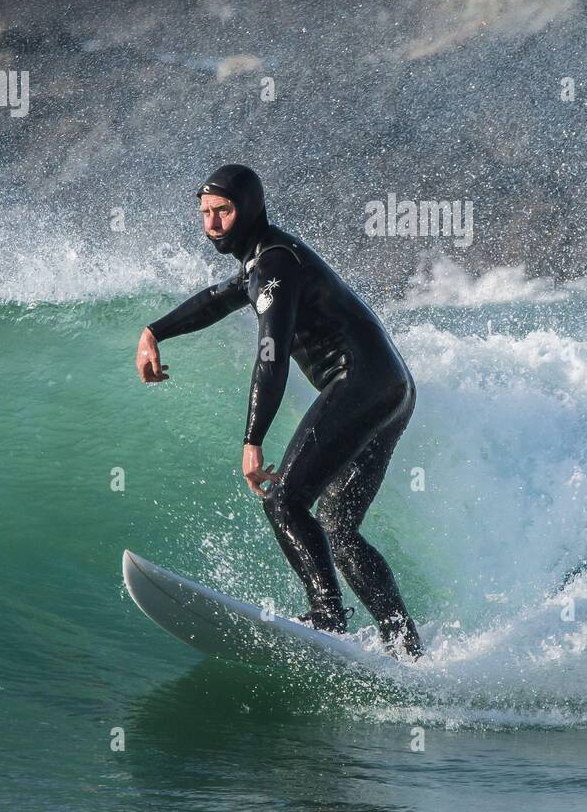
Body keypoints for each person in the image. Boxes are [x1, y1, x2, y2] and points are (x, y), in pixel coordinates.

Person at [135, 164, 421, 658]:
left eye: (222, 211)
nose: (211, 224)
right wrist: (154, 331)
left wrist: (252, 440)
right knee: (338, 524)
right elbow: (216, 299)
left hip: (363, 383)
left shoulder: (274, 264)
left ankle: (327, 617)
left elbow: (271, 355)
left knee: (284, 499)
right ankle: (405, 645)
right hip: (391, 389)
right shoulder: (263, 261)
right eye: (204, 213)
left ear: (249, 208)